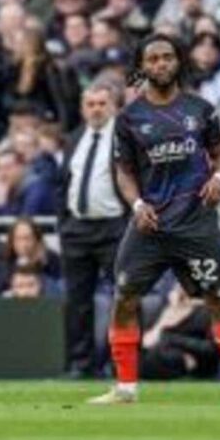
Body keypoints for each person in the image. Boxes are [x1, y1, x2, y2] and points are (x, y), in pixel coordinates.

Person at [88, 33, 220, 405]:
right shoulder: (129, 118)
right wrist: (137, 205)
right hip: (150, 226)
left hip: (196, 224)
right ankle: (125, 388)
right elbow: (124, 171)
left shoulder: (201, 109)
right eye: (153, 59)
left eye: (167, 57)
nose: (160, 64)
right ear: (141, 67)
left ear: (179, 62)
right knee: (125, 297)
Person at [56, 82, 130, 377]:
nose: (96, 109)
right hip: (77, 230)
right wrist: (63, 223)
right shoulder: (74, 139)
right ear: (82, 108)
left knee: (123, 299)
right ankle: (81, 364)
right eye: (91, 104)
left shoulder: (126, 140)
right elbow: (64, 184)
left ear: (113, 106)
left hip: (114, 228)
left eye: (102, 103)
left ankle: (121, 364)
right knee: (77, 302)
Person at [140, 285, 220, 380]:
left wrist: (172, 339)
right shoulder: (163, 307)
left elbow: (213, 349)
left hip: (187, 359)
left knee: (162, 354)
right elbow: (149, 336)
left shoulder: (205, 313)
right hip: (154, 353)